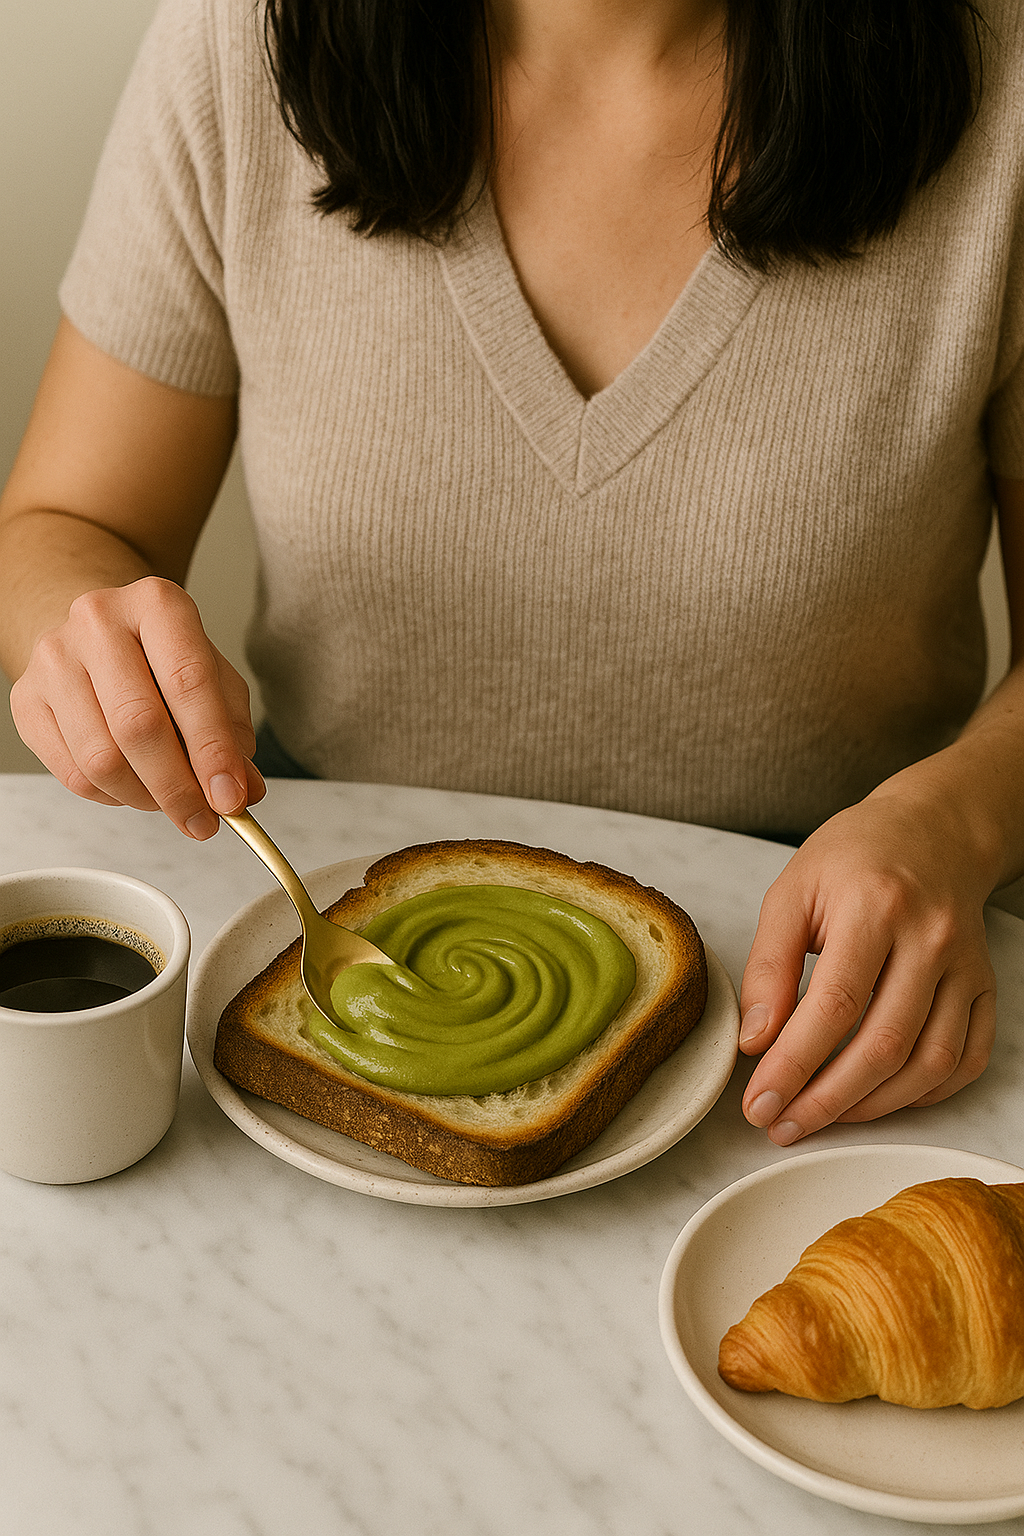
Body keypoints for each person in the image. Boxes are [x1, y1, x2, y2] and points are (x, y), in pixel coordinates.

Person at [2, 0, 1023, 1150]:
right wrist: (77, 635)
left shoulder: (1007, 88)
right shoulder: (238, 42)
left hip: (847, 988)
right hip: (318, 856)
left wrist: (960, 822)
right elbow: (66, 523)